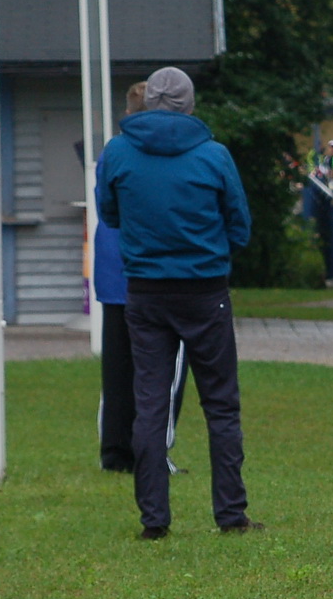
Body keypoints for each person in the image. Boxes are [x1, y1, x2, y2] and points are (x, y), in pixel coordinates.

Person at [97, 66, 257, 539]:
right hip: (205, 291)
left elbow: (109, 213)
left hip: (144, 291)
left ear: (147, 103)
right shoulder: (213, 155)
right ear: (189, 104)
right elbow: (240, 225)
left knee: (149, 404)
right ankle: (231, 515)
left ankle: (154, 520)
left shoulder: (118, 152)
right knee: (221, 405)